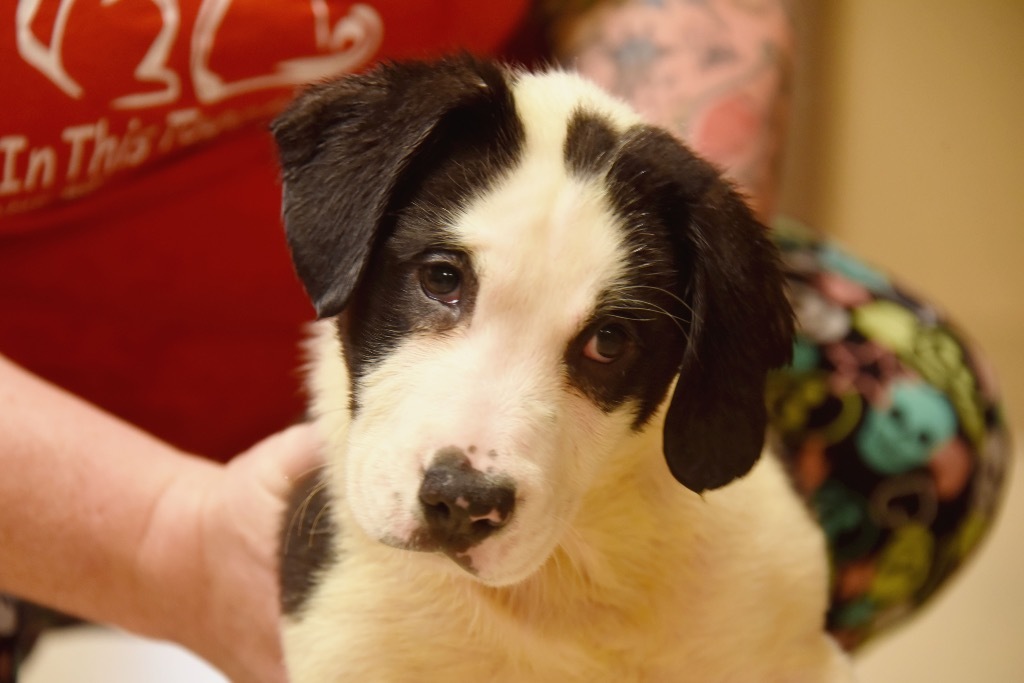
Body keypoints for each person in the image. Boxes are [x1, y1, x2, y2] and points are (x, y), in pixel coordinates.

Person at [0, 1, 1009, 681]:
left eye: (606, 340)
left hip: (521, 167)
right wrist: (159, 534)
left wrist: (659, 208)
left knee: (907, 414)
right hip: (39, 415)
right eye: (445, 280)